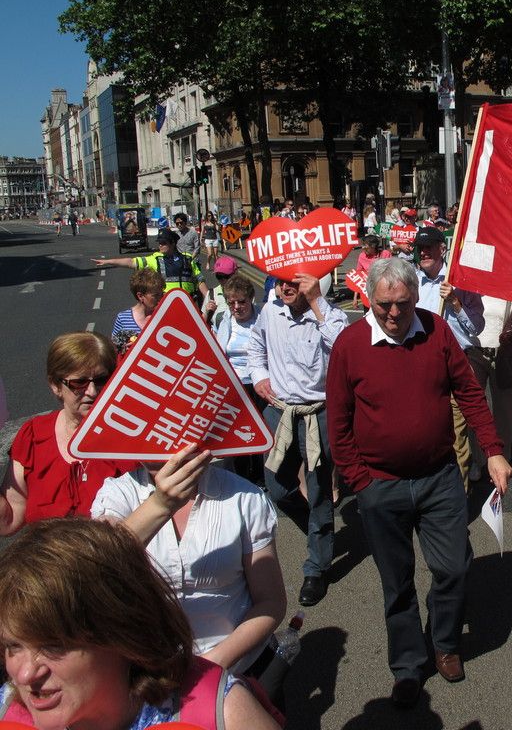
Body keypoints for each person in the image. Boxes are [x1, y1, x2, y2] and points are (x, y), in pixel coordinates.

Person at [326, 258, 512, 707]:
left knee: (452, 568)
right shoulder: (350, 344)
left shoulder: (436, 331)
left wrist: (493, 449)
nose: (394, 314)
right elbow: (339, 421)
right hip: (380, 487)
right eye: (384, 305)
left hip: (439, 477)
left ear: (415, 297)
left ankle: (445, 643)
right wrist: (360, 482)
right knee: (398, 582)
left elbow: (468, 391)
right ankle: (408, 665)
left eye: (403, 304)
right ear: (369, 301)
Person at [0, 518, 280, 728]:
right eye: (13, 646)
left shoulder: (222, 713)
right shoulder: (6, 708)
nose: (24, 676)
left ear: (123, 634)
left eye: (53, 646)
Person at [92, 443, 286, 675]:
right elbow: (96, 570)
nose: (156, 449)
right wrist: (159, 505)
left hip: (237, 667)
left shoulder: (244, 497)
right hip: (150, 673)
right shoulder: (118, 494)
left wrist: (210, 666)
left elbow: (270, 601)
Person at [248, 273, 347, 607]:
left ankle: (316, 568)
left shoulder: (329, 314)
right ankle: (320, 532)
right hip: (280, 412)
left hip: (318, 414)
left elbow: (345, 348)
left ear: (311, 284)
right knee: (276, 487)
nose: (285, 288)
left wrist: (317, 302)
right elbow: (255, 346)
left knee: (319, 491)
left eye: (294, 282)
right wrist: (260, 376)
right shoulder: (269, 312)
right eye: (279, 283)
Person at [1, 332, 135, 535]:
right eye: (79, 382)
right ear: (55, 385)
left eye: (101, 380)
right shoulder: (34, 435)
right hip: (47, 565)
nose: (92, 391)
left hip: (112, 563)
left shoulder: (130, 438)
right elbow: (8, 521)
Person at [414, 226, 485, 486]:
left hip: (455, 367)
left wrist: (455, 302)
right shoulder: (411, 281)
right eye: (420, 248)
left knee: (457, 439)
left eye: (429, 247)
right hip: (419, 369)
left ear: (442, 248)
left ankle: (458, 501)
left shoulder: (462, 280)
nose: (424, 252)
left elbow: (477, 327)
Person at [465, 295, 512, 480]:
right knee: (474, 408)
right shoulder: (472, 290)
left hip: (503, 356)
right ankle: (478, 460)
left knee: (504, 410)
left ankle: (503, 457)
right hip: (474, 354)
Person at [215, 275, 266, 485]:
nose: (236, 307)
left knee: (262, 430)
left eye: (241, 302)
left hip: (260, 383)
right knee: (240, 433)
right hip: (236, 386)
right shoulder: (223, 320)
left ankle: (262, 477)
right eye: (231, 302)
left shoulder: (263, 317)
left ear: (251, 299)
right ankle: (243, 478)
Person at [93, 228, 209, 302]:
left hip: (189, 305)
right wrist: (108, 262)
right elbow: (131, 262)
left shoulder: (187, 258)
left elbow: (199, 280)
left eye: (164, 243)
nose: (160, 246)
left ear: (173, 243)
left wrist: (208, 299)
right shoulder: (155, 259)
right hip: (166, 306)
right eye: (159, 243)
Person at [111, 268, 165, 348]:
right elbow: (113, 349)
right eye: (156, 295)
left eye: (162, 294)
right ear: (140, 296)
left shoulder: (166, 314)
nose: (161, 298)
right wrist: (127, 348)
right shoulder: (123, 319)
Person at [205, 255, 240, 326]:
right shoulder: (212, 294)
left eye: (226, 276)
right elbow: (202, 324)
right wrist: (207, 312)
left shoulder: (245, 293)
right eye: (219, 276)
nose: (222, 280)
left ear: (235, 273)